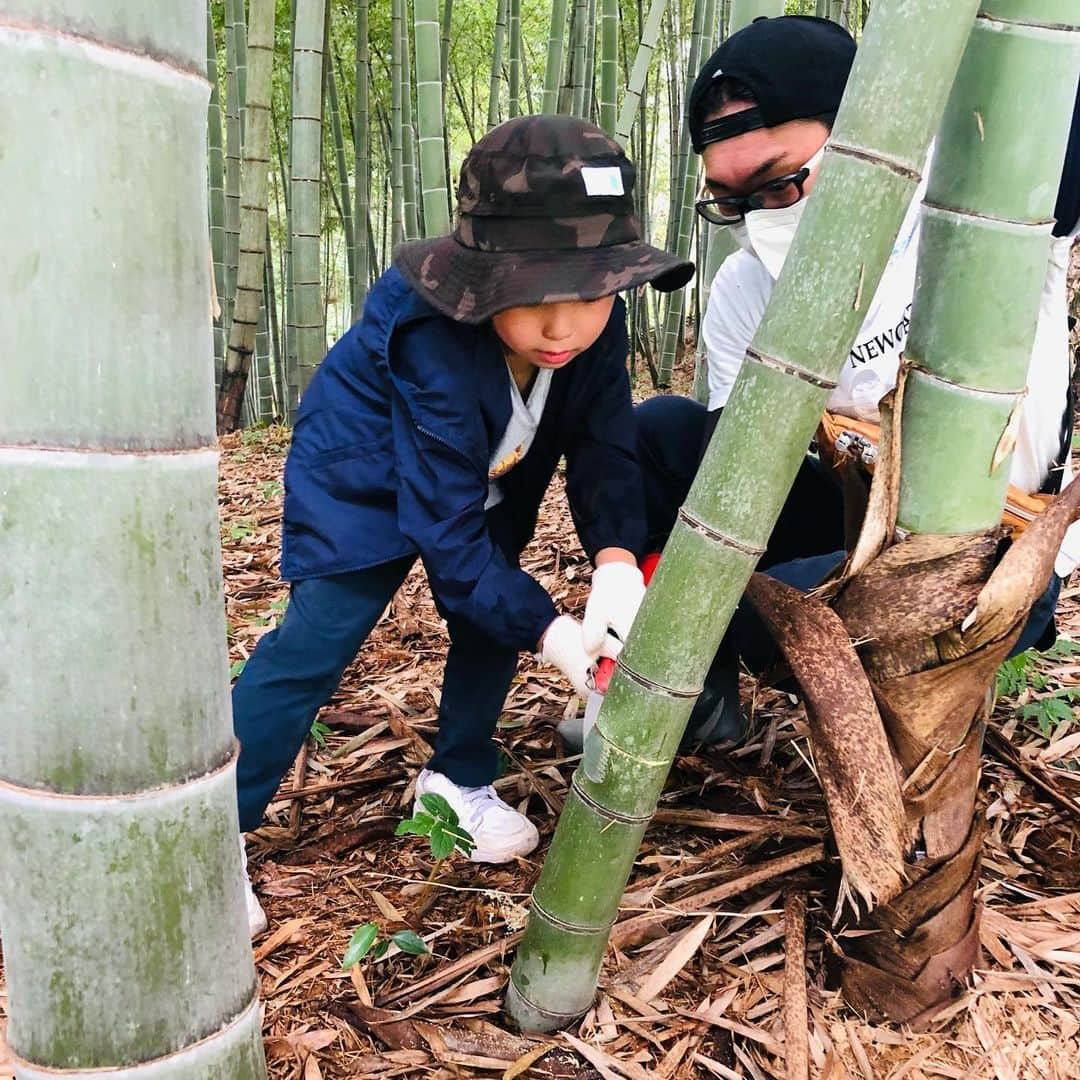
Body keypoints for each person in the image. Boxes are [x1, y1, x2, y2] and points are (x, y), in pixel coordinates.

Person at [231, 115, 693, 933]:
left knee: (488, 616)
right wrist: (555, 636)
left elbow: (605, 443)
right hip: (361, 476)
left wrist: (617, 561)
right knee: (316, 640)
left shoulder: (593, 327)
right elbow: (448, 540)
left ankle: (458, 777)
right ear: (483, 281)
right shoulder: (431, 336)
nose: (564, 327)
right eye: (537, 298)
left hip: (494, 464)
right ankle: (209, 830)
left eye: (590, 295)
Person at [634, 15, 1080, 732]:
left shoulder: (991, 200)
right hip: (856, 522)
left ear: (867, 140)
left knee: (722, 617)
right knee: (653, 437)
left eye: (779, 185)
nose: (760, 219)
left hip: (984, 559)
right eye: (733, 201)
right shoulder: (746, 289)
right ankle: (699, 709)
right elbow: (734, 480)